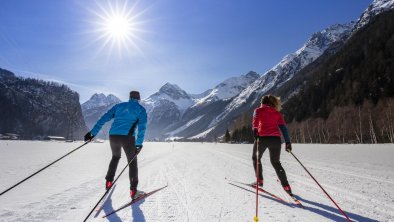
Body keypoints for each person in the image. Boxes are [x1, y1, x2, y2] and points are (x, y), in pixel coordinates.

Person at [84, 91, 147, 199]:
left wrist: (92, 133)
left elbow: (103, 119)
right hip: (128, 138)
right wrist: (138, 144)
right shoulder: (141, 110)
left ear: (130, 97)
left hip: (113, 136)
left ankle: (109, 182)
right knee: (132, 162)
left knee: (115, 157)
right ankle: (133, 191)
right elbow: (142, 128)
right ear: (138, 99)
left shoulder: (119, 106)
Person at [252, 95, 293, 196]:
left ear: (262, 102)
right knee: (276, 162)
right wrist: (288, 142)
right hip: (276, 140)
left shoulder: (258, 110)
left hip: (262, 138)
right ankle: (286, 186)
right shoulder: (277, 113)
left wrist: (256, 133)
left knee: (256, 158)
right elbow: (284, 129)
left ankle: (259, 181)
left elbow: (255, 124)